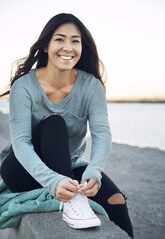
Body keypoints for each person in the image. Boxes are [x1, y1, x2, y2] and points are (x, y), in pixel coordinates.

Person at [0, 13, 133, 237]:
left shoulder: (92, 86)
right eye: (59, 39)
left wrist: (94, 171)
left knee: (116, 200)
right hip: (21, 168)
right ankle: (73, 202)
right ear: (45, 46)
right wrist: (53, 182)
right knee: (54, 122)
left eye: (75, 41)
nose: (67, 47)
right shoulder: (24, 87)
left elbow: (102, 133)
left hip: (68, 164)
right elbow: (21, 143)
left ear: (82, 47)